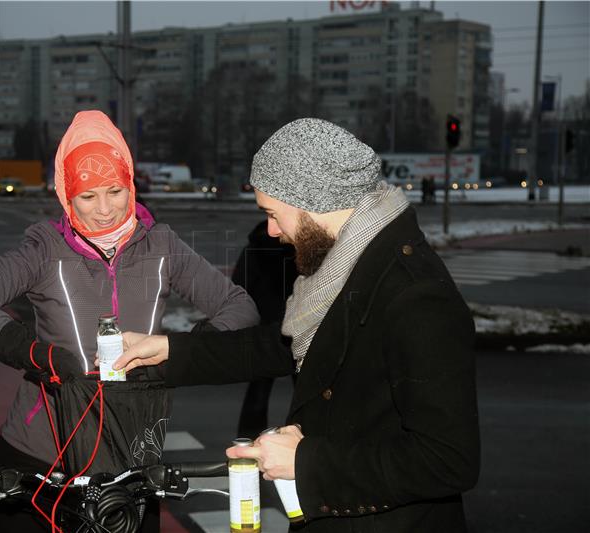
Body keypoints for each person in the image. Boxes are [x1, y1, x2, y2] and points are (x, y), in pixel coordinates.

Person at [115, 118, 480, 532]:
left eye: (272, 213)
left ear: (312, 198)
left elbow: (449, 460)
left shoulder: (415, 296)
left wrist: (304, 462)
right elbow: (280, 345)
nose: (271, 231)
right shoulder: (345, 266)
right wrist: (170, 350)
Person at [0, 110, 259, 533]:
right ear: (66, 196)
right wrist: (23, 347)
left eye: (115, 191)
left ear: (130, 184)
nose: (105, 210)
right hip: (39, 454)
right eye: (87, 197)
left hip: (131, 454)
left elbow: (240, 307)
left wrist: (176, 354)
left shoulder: (161, 246)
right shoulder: (45, 248)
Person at [231, 219, 297, 439]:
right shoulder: (296, 245)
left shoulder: (256, 245)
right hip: (298, 324)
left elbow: (240, 283)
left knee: (258, 391)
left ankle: (249, 442)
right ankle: (301, 443)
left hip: (264, 325)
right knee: (305, 393)